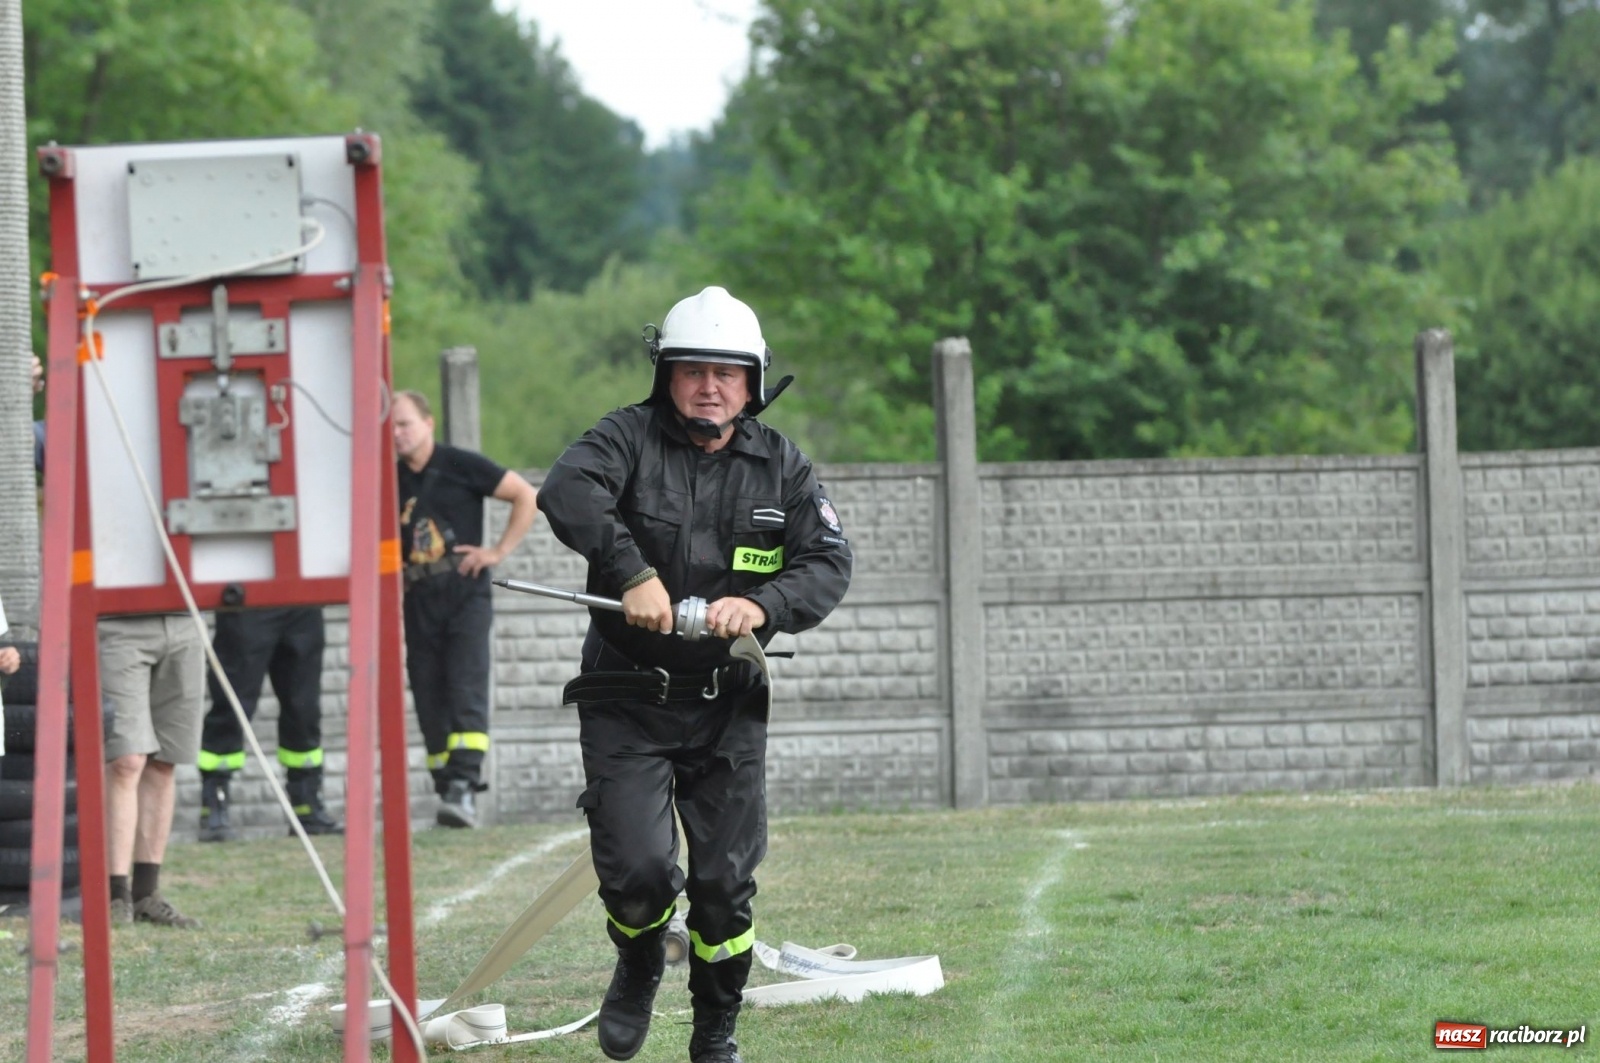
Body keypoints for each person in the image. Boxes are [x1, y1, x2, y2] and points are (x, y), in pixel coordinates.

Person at [538, 286, 853, 1063]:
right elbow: (565, 489)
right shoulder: (625, 439)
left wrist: (764, 604)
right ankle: (640, 955)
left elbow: (829, 561)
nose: (709, 385)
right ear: (665, 375)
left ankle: (716, 1028)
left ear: (752, 383)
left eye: (727, 372)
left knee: (722, 888)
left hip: (728, 707)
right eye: (692, 370)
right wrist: (629, 570)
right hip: (627, 698)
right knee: (641, 870)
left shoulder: (782, 467)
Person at [393, 390, 538, 828]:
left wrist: (498, 551)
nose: (397, 434)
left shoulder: (460, 464)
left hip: (465, 592)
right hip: (417, 597)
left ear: (428, 423)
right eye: (391, 427)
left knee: (465, 685)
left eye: (405, 424)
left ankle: (464, 784)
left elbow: (525, 495)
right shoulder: (389, 478)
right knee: (427, 692)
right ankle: (445, 785)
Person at [196, 606, 342, 841]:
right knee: (232, 705)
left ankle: (307, 805)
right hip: (246, 603)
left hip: (303, 605)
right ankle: (215, 806)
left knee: (304, 709)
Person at [99, 614, 206, 927]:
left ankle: (146, 893)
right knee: (126, 761)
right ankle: (115, 895)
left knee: (163, 763)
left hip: (184, 619)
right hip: (117, 622)